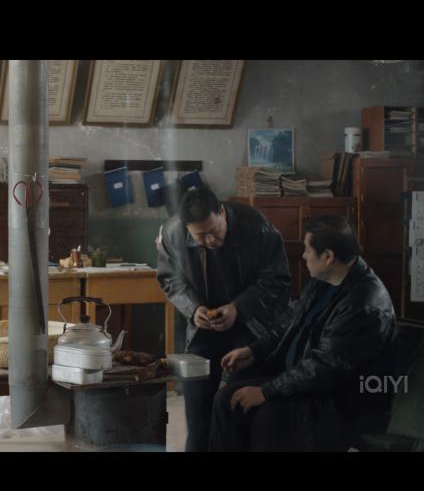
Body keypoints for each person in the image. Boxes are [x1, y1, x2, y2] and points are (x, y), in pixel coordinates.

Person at [208, 215, 397, 452]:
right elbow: (292, 324)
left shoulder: (363, 304)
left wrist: (267, 391)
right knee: (227, 399)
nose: (304, 256)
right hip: (304, 383)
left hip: (339, 399)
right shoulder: (324, 281)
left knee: (268, 413)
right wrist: (253, 351)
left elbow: (326, 367)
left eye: (307, 249)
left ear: (328, 257)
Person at [157, 186, 292, 451]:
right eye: (200, 236)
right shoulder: (173, 233)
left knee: (236, 413)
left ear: (222, 212)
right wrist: (193, 309)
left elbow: (278, 280)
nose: (209, 241)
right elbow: (169, 279)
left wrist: (238, 308)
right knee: (198, 418)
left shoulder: (257, 227)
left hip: (250, 330)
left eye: (213, 231)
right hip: (203, 331)